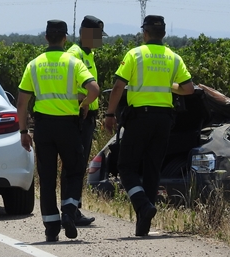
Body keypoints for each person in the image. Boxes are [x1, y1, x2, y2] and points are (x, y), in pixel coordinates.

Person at [103, 15, 194, 237]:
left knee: (126, 167)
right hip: (163, 121)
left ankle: (143, 204)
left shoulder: (135, 55)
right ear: (163, 33)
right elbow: (188, 89)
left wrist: (109, 113)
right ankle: (143, 225)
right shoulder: (173, 57)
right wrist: (167, 86)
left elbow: (118, 87)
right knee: (153, 169)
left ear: (145, 33)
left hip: (139, 119)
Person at [17, 20, 100, 242]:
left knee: (47, 177)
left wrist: (23, 131)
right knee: (73, 170)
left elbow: (22, 102)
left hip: (43, 127)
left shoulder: (34, 65)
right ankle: (69, 211)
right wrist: (83, 105)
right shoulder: (73, 62)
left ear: (46, 38)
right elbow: (94, 89)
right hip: (68, 126)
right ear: (65, 38)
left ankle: (51, 227)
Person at [64, 15, 106, 226]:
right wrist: (85, 101)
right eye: (95, 35)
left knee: (80, 165)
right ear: (83, 33)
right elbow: (68, 88)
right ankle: (72, 209)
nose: (99, 40)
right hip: (79, 115)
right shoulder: (75, 54)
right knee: (75, 164)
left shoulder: (88, 54)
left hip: (87, 116)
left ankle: (74, 208)